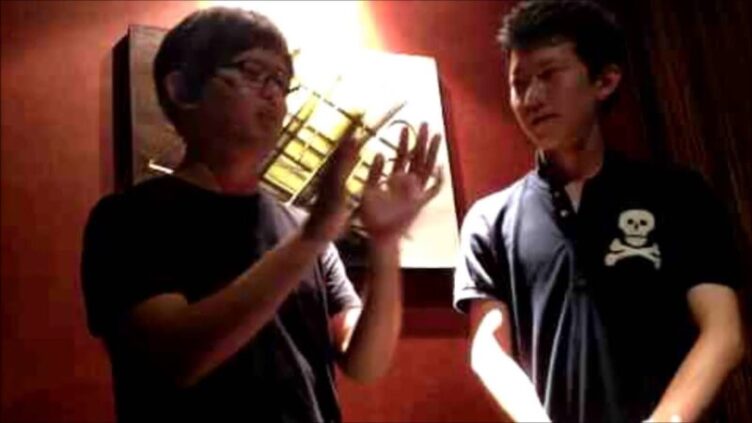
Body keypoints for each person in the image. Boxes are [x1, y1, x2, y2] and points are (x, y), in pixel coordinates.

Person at [82, 7, 442, 422]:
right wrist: (314, 236)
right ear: (182, 89)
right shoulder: (127, 219)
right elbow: (176, 358)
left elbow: (364, 363)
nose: (273, 94)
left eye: (282, 82)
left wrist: (385, 243)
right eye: (253, 72)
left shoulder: (300, 225)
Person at [453, 1, 745, 422]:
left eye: (548, 75)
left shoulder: (679, 193)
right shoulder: (489, 220)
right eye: (519, 83)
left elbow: (723, 331)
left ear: (605, 81)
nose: (531, 98)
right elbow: (488, 350)